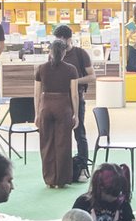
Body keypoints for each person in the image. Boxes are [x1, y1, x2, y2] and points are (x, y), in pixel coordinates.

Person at [33, 37, 95, 188]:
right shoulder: (71, 69)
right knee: (63, 144)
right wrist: (76, 114)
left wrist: (37, 114)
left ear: (50, 52)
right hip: (63, 107)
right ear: (64, 53)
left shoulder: (41, 69)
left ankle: (49, 180)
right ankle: (61, 180)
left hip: (46, 106)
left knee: (46, 144)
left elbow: (36, 94)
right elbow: (74, 95)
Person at [72, 162, 136, 221]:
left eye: (119, 193)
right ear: (100, 188)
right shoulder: (83, 203)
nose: (116, 197)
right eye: (113, 193)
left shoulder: (122, 203)